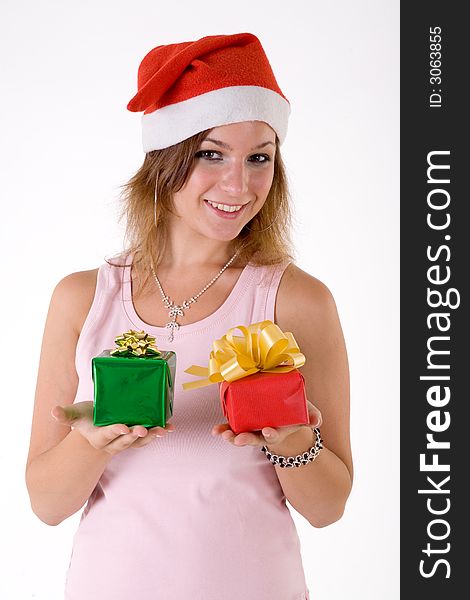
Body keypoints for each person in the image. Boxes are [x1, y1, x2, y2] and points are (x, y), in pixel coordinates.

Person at [25, 32, 353, 600]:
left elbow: (327, 510)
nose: (239, 184)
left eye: (260, 158)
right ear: (165, 158)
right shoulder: (82, 298)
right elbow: (47, 504)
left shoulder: (297, 301)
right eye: (211, 153)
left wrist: (292, 438)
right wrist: (92, 440)